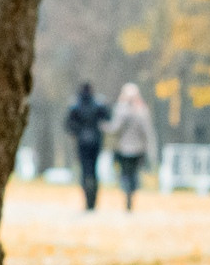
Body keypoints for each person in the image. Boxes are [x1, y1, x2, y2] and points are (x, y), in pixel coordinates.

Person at [107, 82, 157, 211]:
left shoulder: (121, 109)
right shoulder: (142, 110)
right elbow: (147, 131)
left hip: (123, 148)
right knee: (133, 173)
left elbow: (115, 128)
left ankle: (127, 193)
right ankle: (131, 194)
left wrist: (104, 127)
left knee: (125, 173)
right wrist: (149, 148)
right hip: (138, 149)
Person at [66, 82, 112, 211]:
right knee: (93, 170)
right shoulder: (98, 104)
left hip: (82, 142)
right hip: (95, 141)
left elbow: (69, 125)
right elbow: (107, 118)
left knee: (85, 171)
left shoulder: (76, 106)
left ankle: (88, 199)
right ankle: (92, 200)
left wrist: (78, 132)